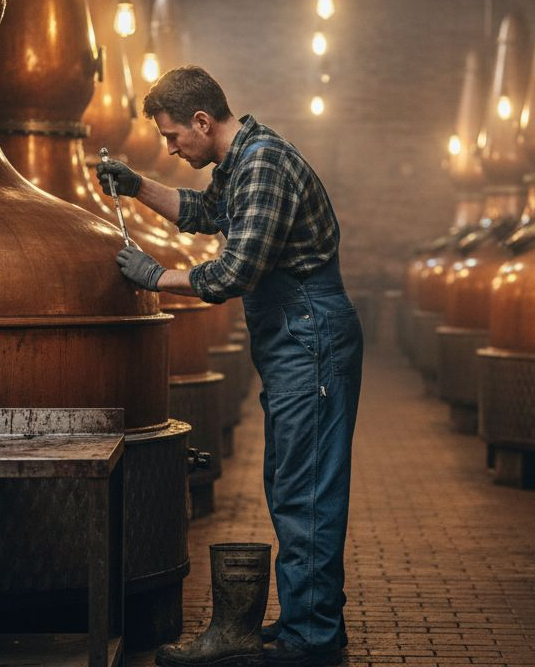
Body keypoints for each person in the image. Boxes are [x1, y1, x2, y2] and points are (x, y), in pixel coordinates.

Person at [97, 65, 361, 667]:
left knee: (307, 489)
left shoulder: (263, 162)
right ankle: (309, 619)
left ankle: (311, 641)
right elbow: (199, 212)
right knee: (292, 482)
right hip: (296, 339)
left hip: (309, 334)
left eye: (172, 138)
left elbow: (234, 273)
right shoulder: (241, 163)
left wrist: (157, 276)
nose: (170, 148)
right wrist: (137, 186)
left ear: (202, 121)